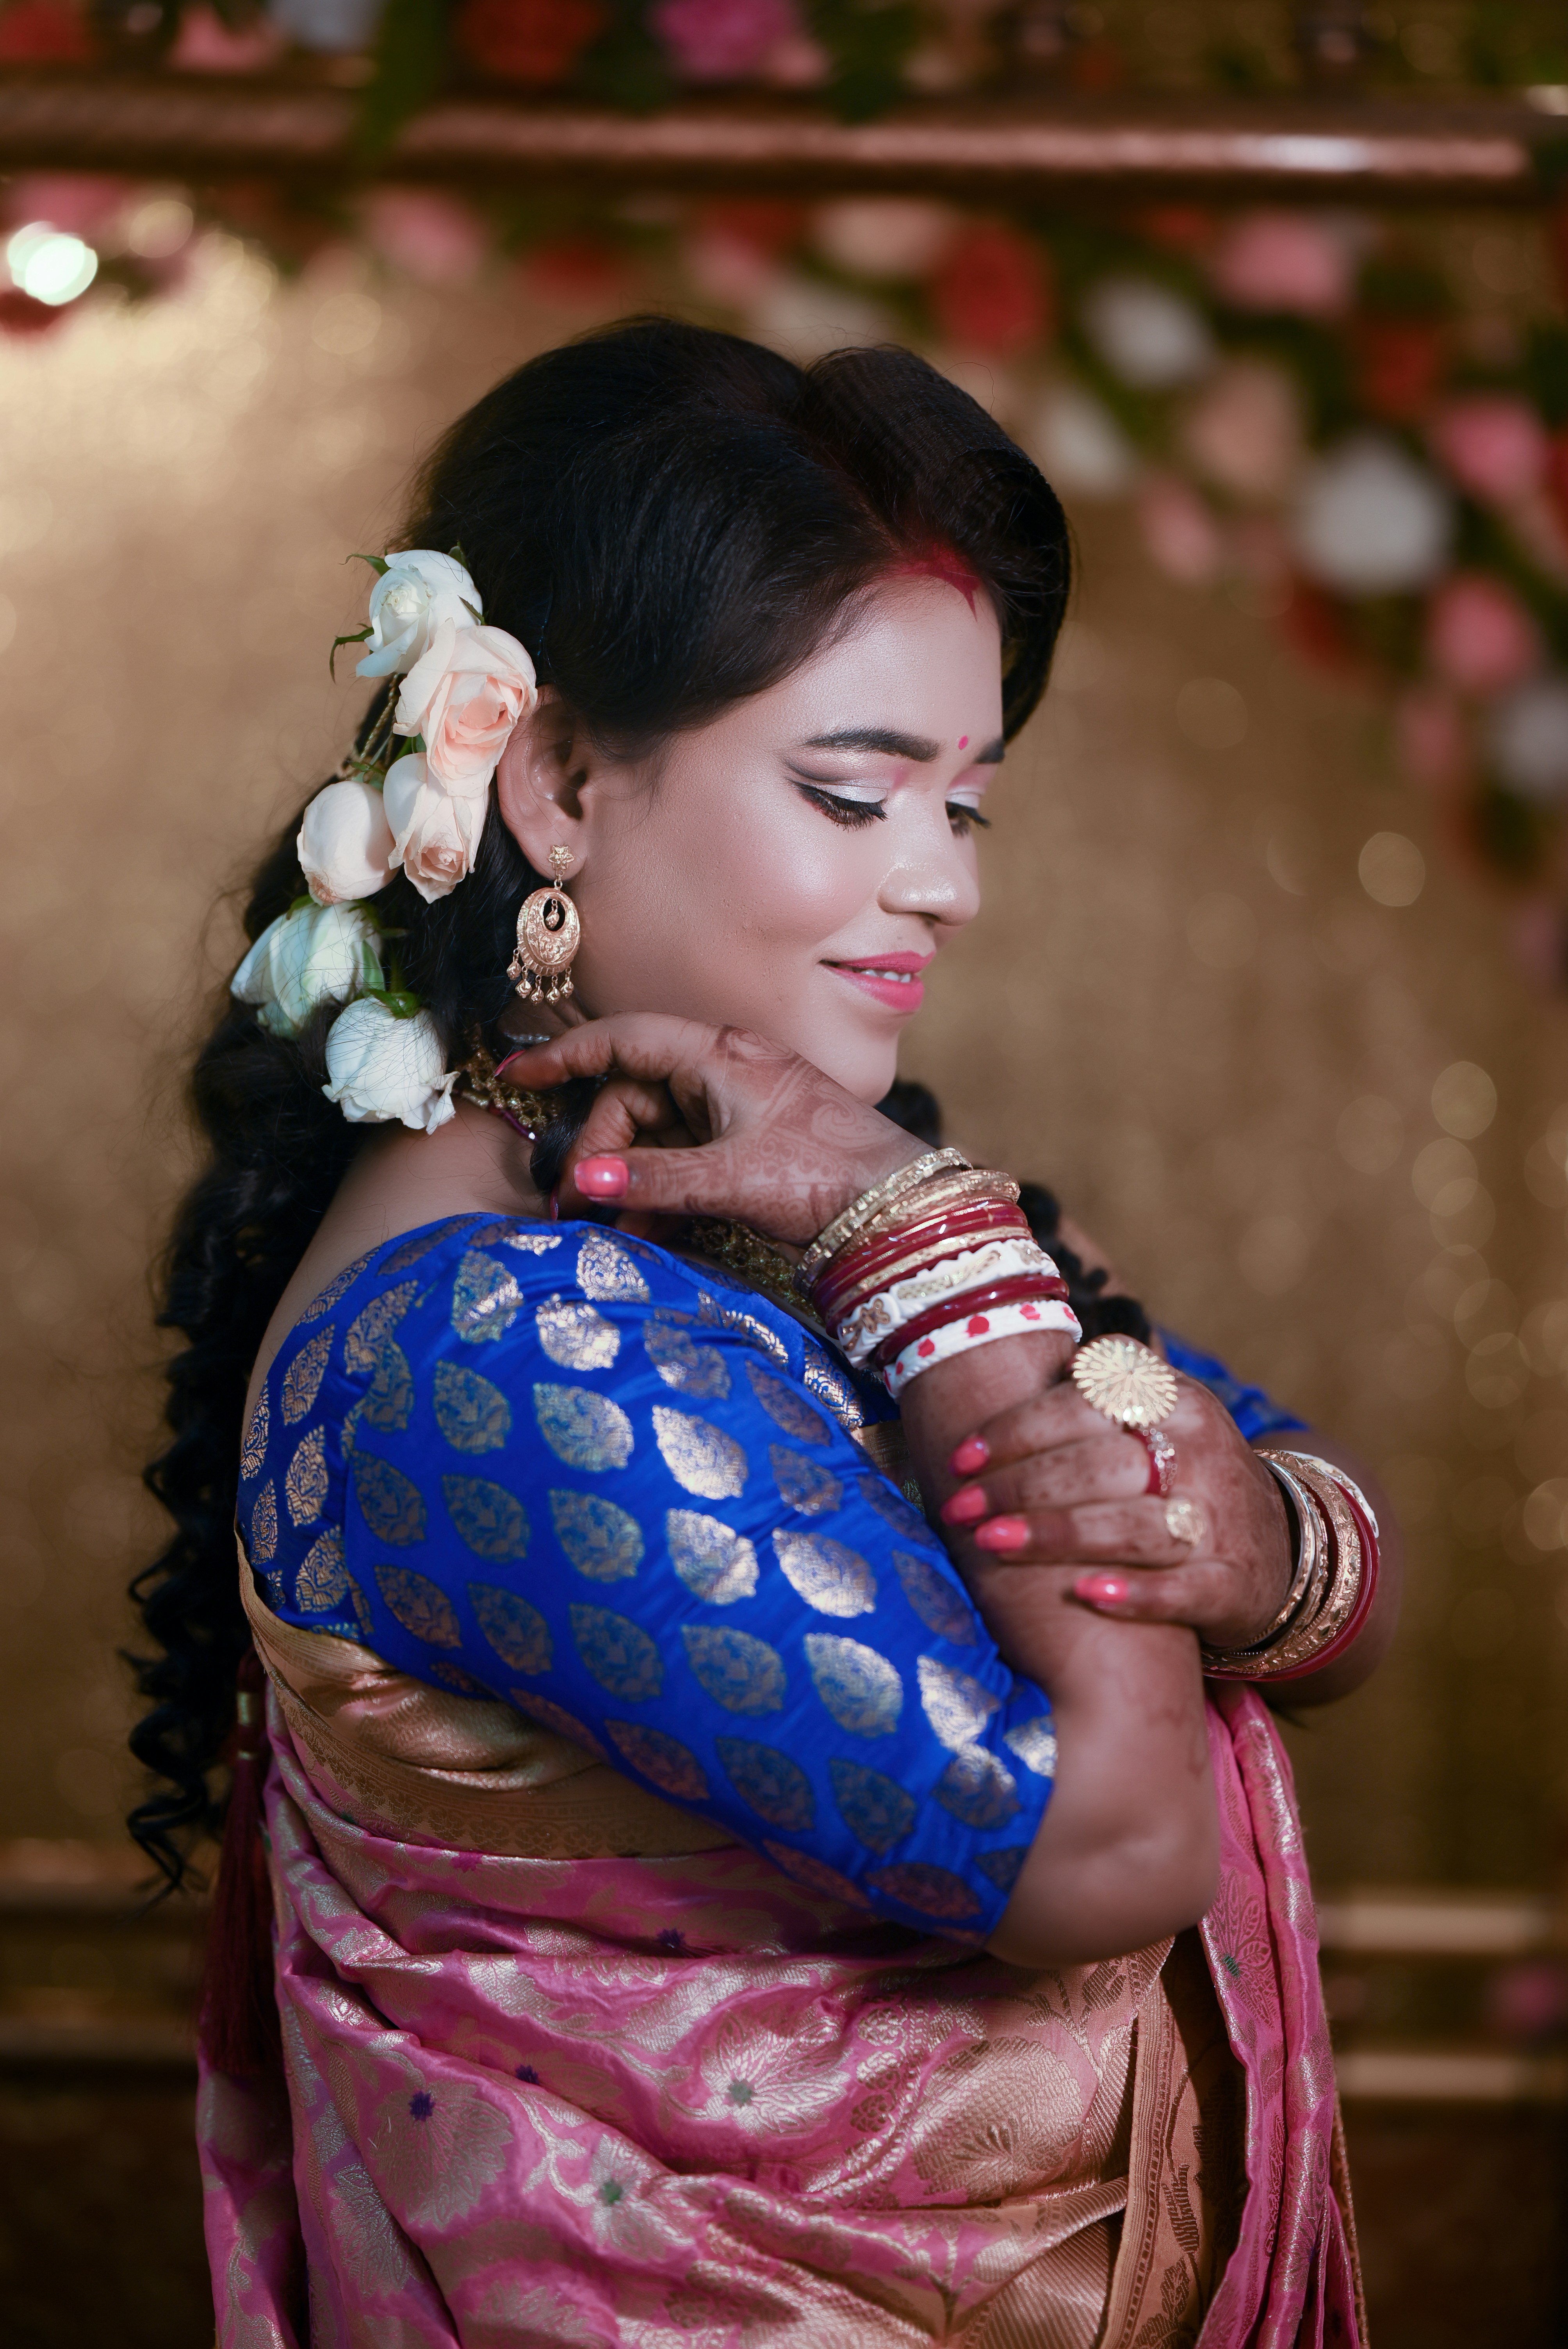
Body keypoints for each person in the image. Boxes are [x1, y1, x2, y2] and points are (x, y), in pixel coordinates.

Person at [131, 319, 1392, 2346]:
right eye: (852, 791)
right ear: (552, 783)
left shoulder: (736, 1194)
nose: (942, 883)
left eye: (964, 809)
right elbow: (1114, 1845)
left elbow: (1312, 1542)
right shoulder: (493, 1343)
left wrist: (1263, 1538)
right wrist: (935, 1251)